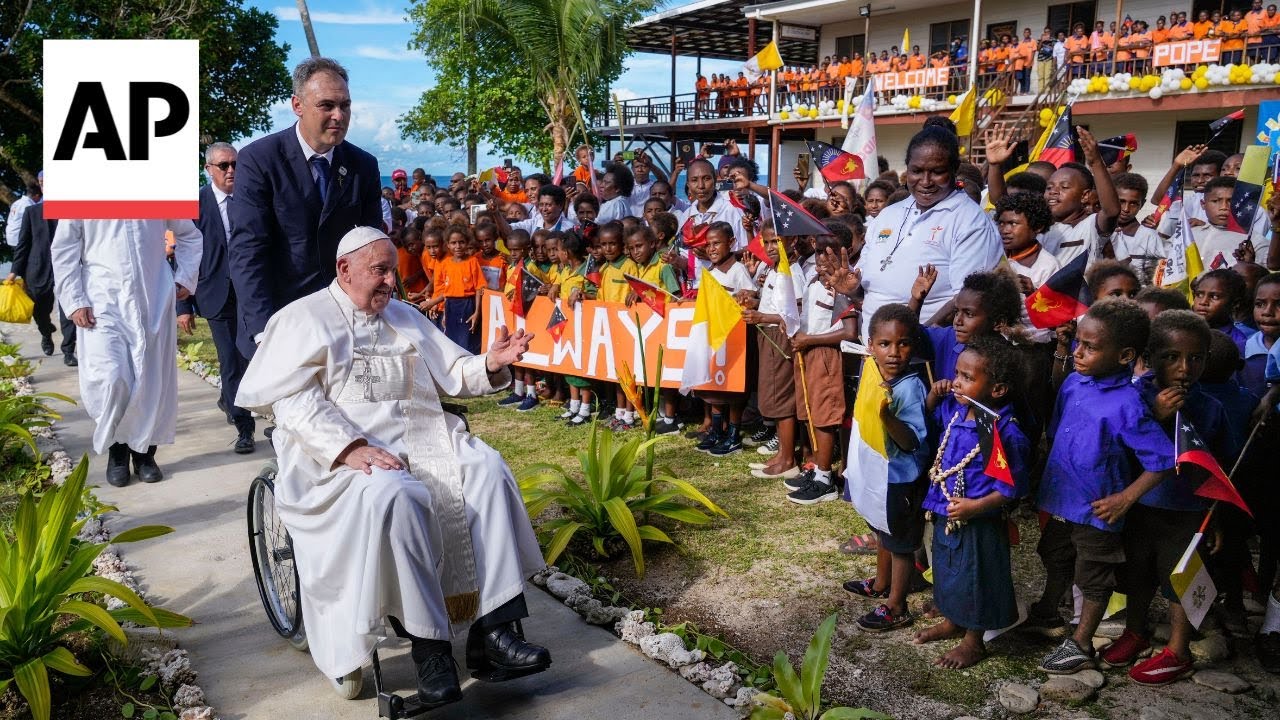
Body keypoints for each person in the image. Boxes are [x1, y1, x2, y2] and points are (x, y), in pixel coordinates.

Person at [235, 226, 549, 709]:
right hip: (338, 455)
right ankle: (431, 654)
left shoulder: (403, 315)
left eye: (392, 271)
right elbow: (292, 404)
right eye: (378, 271)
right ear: (344, 270)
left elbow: (454, 372)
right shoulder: (303, 319)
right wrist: (348, 448)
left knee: (486, 468)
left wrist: (490, 362)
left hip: (424, 438)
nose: (390, 283)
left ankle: (496, 631)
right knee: (396, 495)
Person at [1028, 300, 1174, 672]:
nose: (1078, 352)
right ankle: (1048, 611)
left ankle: (1081, 642)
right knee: (1054, 554)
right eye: (1078, 342)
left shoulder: (1130, 404)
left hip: (1097, 509)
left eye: (1090, 347)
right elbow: (1058, 428)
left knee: (1093, 574)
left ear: (1125, 355)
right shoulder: (1075, 383)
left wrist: (1125, 499)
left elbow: (1161, 461)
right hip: (1061, 497)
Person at [228, 57, 383, 359]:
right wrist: (264, 332)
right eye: (327, 105)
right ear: (298, 105)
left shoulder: (363, 165)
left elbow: (372, 247)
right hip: (281, 320)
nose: (339, 115)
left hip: (346, 322)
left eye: (346, 106)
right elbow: (248, 251)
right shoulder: (260, 160)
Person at [52, 218, 202, 486]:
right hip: (101, 297)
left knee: (151, 379)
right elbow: (64, 247)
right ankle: (117, 450)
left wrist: (185, 278)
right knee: (112, 378)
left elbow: (190, 235)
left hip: (153, 294)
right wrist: (74, 300)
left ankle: (145, 453)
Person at [915, 337, 1032, 669]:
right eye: (956, 373)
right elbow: (928, 425)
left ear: (996, 390)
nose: (956, 382)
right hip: (945, 509)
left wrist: (975, 507)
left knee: (977, 575)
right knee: (948, 568)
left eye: (967, 377)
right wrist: (934, 395)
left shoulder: (1004, 431)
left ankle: (974, 640)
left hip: (978, 519)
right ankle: (953, 620)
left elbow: (1012, 489)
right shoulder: (955, 411)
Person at [853, 126, 1003, 333]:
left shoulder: (970, 221)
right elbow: (866, 286)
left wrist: (913, 338)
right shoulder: (889, 214)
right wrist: (851, 287)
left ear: (954, 169)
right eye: (916, 171)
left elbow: (967, 299)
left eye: (937, 172)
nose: (925, 182)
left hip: (927, 355)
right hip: (873, 351)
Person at [176, 142, 255, 454]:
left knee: (252, 357)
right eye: (224, 165)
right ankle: (244, 427)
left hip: (250, 294)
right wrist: (183, 305)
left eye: (235, 164)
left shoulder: (251, 197)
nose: (231, 170)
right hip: (215, 294)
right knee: (230, 360)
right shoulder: (195, 204)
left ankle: (230, 399)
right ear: (209, 169)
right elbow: (180, 254)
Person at [6, 186, 76, 365]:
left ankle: (68, 351)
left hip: (66, 266)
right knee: (39, 309)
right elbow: (23, 243)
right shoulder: (31, 212)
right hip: (38, 267)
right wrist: (14, 271)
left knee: (69, 308)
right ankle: (46, 332)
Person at [3, 173, 39, 252]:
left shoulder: (17, 203)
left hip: (11, 237)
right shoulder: (29, 205)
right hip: (19, 239)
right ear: (36, 196)